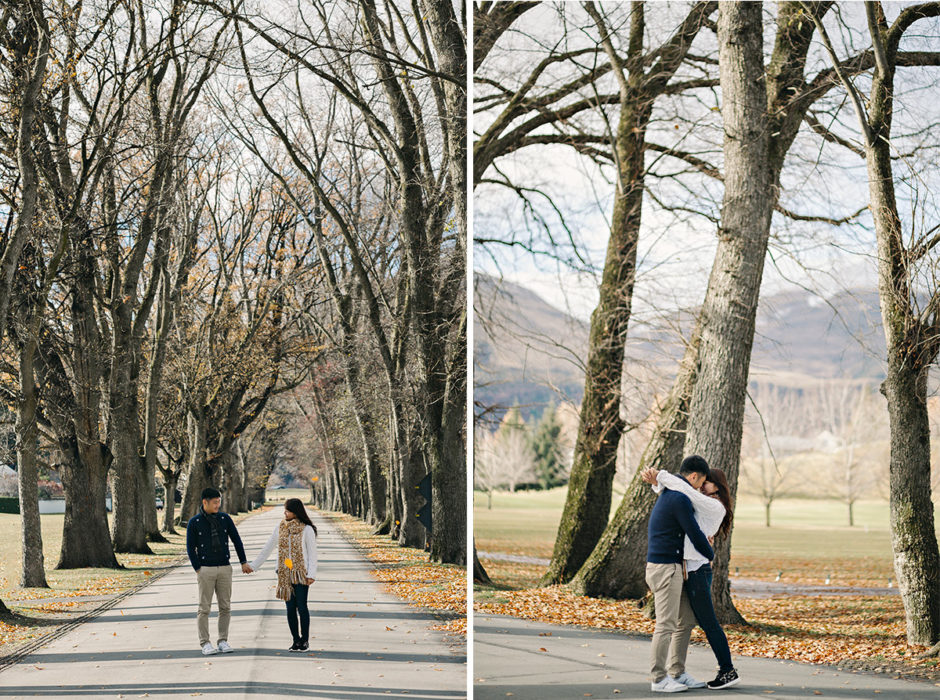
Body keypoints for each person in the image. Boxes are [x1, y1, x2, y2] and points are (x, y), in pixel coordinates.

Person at [643, 465, 741, 690]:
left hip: (697, 570)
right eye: (702, 480)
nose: (701, 485)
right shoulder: (698, 499)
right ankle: (675, 673)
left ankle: (727, 670)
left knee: (707, 622)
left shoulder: (714, 505)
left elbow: (682, 490)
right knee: (686, 621)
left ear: (716, 485)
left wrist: (661, 476)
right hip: (685, 568)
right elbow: (677, 496)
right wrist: (657, 484)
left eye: (707, 481)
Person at [645, 455, 715, 693]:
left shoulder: (670, 492)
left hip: (675, 567)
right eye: (700, 483)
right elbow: (694, 533)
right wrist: (711, 554)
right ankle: (658, 678)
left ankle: (677, 672)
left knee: (685, 620)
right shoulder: (678, 498)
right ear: (694, 477)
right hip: (665, 568)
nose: (699, 489)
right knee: (665, 624)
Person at [186, 487, 251, 656]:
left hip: (224, 567)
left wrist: (243, 561)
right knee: (204, 608)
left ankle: (223, 640)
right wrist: (197, 568)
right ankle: (205, 643)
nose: (218, 505)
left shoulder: (225, 519)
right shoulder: (195, 522)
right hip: (205, 569)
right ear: (204, 502)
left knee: (225, 606)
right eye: (215, 502)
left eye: (219, 502)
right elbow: (190, 548)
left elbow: (237, 540)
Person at [248, 498, 318, 651]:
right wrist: (253, 566)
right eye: (285, 510)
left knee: (302, 606)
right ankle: (296, 640)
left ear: (296, 512)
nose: (284, 513)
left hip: (301, 575)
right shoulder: (280, 528)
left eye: (288, 510)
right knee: (290, 608)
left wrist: (311, 574)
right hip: (284, 574)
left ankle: (305, 640)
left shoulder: (307, 529)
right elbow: (268, 548)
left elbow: (312, 554)